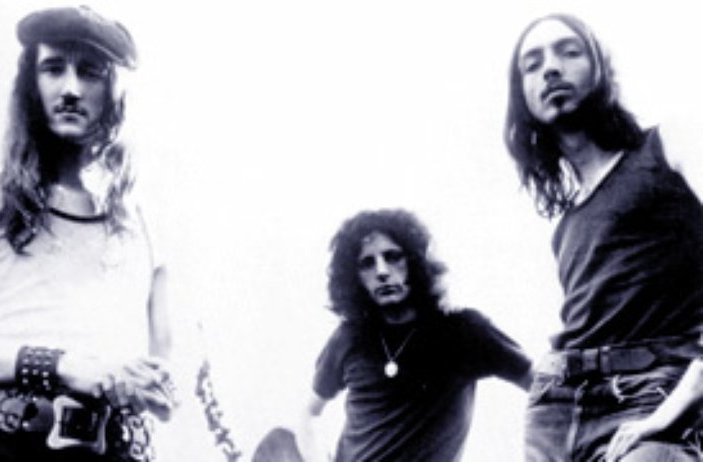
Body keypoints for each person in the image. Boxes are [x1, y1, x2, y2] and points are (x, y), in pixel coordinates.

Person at [0, 5, 178, 461]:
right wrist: (58, 365)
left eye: (89, 71)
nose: (70, 89)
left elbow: (168, 366)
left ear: (116, 92)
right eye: (53, 68)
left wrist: (150, 386)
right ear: (31, 82)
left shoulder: (148, 222)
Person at [504, 13, 703, 461]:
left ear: (600, 67)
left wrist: (690, 391)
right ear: (522, 96)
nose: (550, 68)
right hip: (555, 410)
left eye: (568, 51)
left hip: (654, 394)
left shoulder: (667, 145)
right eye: (532, 64)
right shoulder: (566, 225)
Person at [294, 209, 532, 462]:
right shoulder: (349, 337)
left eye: (393, 257)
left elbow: (544, 390)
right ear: (355, 278)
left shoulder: (463, 331)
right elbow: (309, 414)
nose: (382, 271)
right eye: (367, 263)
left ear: (416, 261)